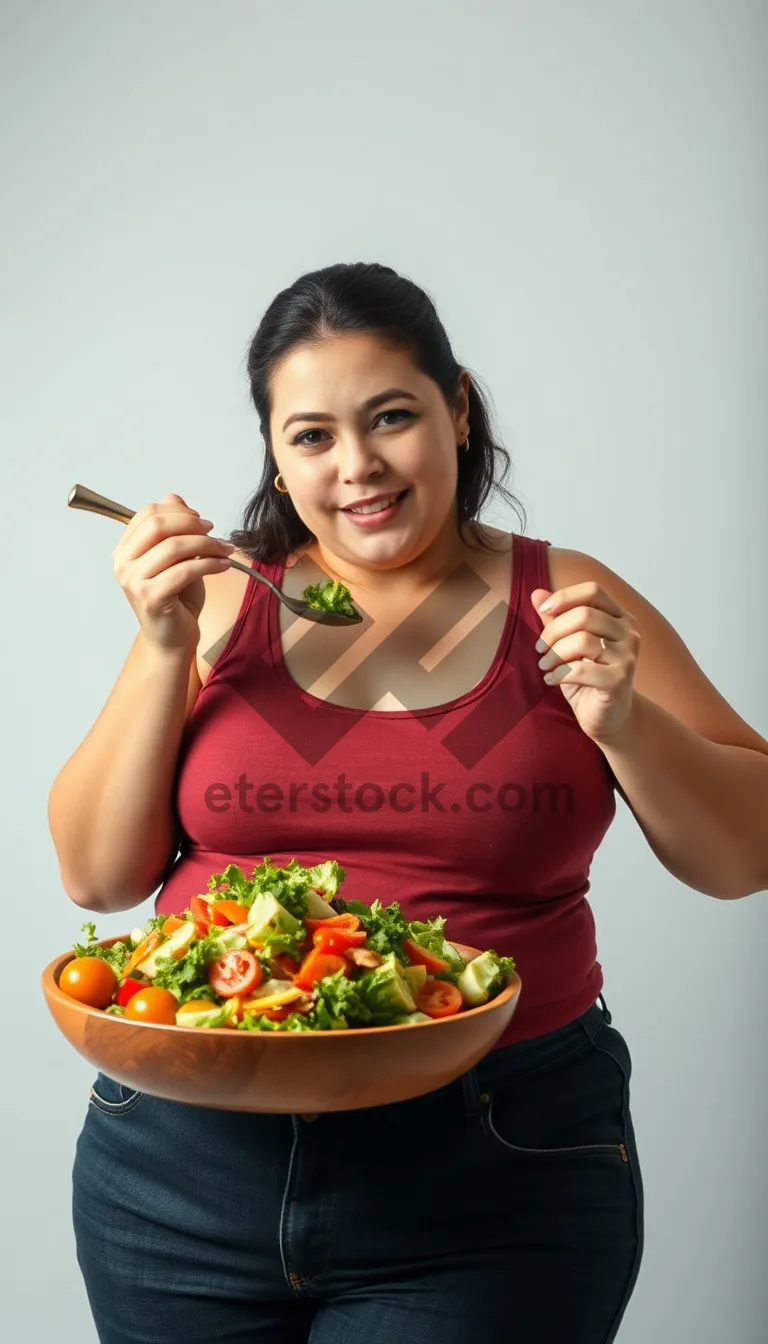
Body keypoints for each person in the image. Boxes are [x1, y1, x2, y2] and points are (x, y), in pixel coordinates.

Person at [49, 261, 768, 1344]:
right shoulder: (220, 604)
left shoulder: (564, 599)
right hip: (180, 1165)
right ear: (276, 455)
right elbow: (98, 879)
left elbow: (743, 856)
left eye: (392, 417)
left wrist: (623, 720)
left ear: (459, 408)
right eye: (312, 436)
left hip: (495, 1165)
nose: (359, 468)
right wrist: (160, 644)